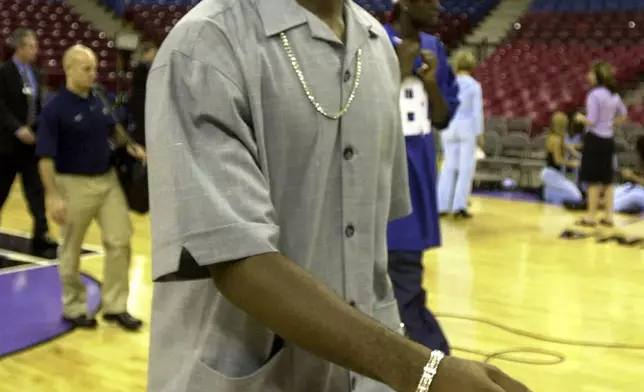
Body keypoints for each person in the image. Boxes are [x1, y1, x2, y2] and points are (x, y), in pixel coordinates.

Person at [144, 0, 530, 392]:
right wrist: (421, 370)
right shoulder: (206, 43)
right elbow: (238, 260)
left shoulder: (377, 45)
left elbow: (368, 250)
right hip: (240, 376)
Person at [36, 45, 146, 330]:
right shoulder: (55, 108)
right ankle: (74, 307)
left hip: (107, 180)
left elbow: (115, 128)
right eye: (87, 69)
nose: (93, 74)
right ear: (69, 69)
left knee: (120, 240)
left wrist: (133, 148)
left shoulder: (100, 96)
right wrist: (52, 196)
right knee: (71, 248)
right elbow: (45, 157)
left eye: (95, 68)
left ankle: (115, 305)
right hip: (72, 184)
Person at [383, 0, 458, 354]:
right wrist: (399, 67)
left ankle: (431, 364)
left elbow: (442, 117)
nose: (438, 5)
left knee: (406, 282)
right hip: (377, 178)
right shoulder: (371, 41)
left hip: (416, 181)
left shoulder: (436, 49)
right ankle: (435, 362)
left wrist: (430, 83)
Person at [0, 28, 57, 257]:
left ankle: (41, 233)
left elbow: (39, 105)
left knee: (36, 189)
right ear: (20, 47)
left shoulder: (36, 73)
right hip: (7, 144)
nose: (36, 50)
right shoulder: (4, 72)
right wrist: (16, 128)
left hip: (31, 143)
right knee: (1, 189)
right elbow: (0, 106)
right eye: (32, 46)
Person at [576, 61, 627, 227]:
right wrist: (611, 123)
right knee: (607, 180)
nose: (587, 76)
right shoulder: (614, 94)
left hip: (595, 140)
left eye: (590, 73)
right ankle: (608, 217)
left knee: (592, 180)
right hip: (608, 140)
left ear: (597, 76)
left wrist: (579, 118)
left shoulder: (594, 95)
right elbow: (624, 115)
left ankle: (591, 217)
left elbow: (591, 120)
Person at [436, 49, 483, 218]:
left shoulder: (449, 83)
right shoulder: (474, 86)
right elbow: (477, 112)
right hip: (467, 128)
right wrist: (480, 134)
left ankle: (441, 205)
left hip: (448, 127)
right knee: (465, 168)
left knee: (448, 166)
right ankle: (459, 206)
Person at [540, 112, 583, 204]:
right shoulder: (557, 140)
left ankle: (550, 199)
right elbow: (558, 160)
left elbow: (568, 147)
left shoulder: (552, 137)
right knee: (576, 196)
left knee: (554, 197)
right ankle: (551, 197)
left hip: (549, 173)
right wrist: (572, 163)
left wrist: (576, 150)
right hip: (553, 174)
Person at [128, 41, 157, 147]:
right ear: (147, 53)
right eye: (153, 53)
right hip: (140, 103)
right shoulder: (141, 68)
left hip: (145, 102)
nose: (155, 56)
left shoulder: (148, 68)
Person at [613, 135, 644, 213]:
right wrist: (634, 173)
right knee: (623, 188)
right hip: (638, 189)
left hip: (640, 194)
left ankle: (606, 205)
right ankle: (598, 202)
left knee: (633, 197)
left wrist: (632, 176)